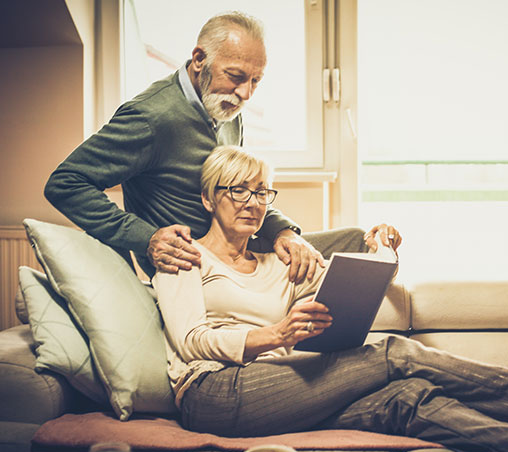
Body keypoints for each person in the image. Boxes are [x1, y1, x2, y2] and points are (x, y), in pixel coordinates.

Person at [152, 145, 508, 452]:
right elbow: (190, 339)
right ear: (207, 199)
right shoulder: (182, 254)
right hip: (212, 394)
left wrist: (378, 251)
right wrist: (274, 335)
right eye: (236, 190)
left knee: (406, 397)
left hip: (278, 388)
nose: (252, 201)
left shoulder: (277, 261)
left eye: (262, 191)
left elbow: (336, 290)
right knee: (394, 353)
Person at [44, 10, 381, 281]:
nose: (246, 93)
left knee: (357, 242)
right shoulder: (151, 117)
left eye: (255, 81)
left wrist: (285, 233)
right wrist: (146, 238)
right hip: (200, 272)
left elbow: (243, 190)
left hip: (243, 252)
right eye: (235, 76)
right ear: (199, 58)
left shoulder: (227, 110)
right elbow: (66, 183)